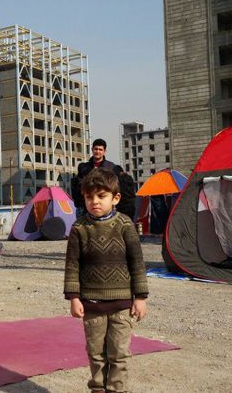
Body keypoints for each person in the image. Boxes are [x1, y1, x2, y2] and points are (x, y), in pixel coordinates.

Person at [64, 168, 148, 393]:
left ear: (115, 198)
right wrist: (74, 297)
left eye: (101, 196)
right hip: (92, 305)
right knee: (96, 355)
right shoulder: (79, 228)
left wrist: (140, 297)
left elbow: (137, 262)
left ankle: (116, 390)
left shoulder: (125, 225)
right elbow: (72, 265)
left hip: (122, 304)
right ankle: (98, 389)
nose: (95, 202)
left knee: (119, 355)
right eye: (89, 197)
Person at [71, 139, 116, 217]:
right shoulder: (83, 167)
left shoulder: (111, 167)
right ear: (92, 149)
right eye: (95, 149)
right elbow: (77, 186)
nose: (97, 151)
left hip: (104, 206)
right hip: (85, 206)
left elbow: (114, 187)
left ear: (104, 151)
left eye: (100, 149)